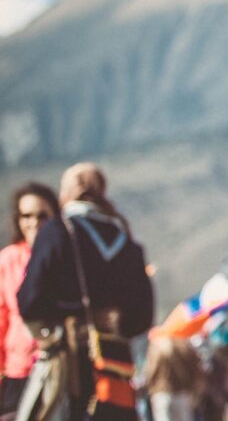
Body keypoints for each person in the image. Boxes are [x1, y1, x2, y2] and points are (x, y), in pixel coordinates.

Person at [17, 163, 154, 420]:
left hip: (71, 366)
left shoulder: (58, 232)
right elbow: (142, 318)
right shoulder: (127, 243)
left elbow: (29, 302)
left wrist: (56, 324)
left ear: (68, 193)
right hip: (118, 367)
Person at [0, 182, 60, 416]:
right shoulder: (7, 260)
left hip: (58, 368)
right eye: (26, 215)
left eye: (42, 215)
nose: (33, 222)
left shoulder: (65, 260)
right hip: (18, 370)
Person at [143, 334, 204, 420]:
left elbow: (152, 370)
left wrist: (149, 387)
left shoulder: (158, 345)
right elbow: (197, 369)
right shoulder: (186, 346)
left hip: (162, 392)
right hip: (182, 392)